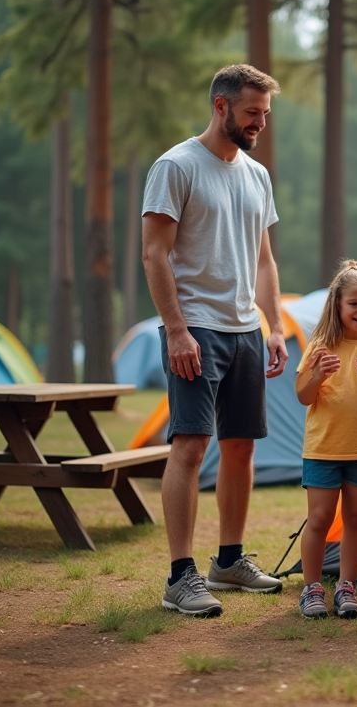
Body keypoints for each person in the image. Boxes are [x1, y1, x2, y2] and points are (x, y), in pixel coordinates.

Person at [142, 64, 288, 618]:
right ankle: (181, 576)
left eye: (266, 115)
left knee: (242, 446)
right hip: (195, 327)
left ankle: (228, 561)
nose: (260, 124)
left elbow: (264, 259)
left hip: (246, 329)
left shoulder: (256, 175)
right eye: (252, 113)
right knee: (190, 445)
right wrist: (176, 329)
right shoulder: (176, 166)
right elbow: (155, 253)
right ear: (222, 106)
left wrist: (274, 325)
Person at [294, 261, 357, 619]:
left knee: (356, 519)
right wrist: (317, 375)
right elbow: (303, 396)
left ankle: (347, 586)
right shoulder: (320, 346)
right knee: (319, 519)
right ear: (338, 304)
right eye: (355, 303)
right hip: (323, 449)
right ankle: (312, 588)